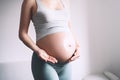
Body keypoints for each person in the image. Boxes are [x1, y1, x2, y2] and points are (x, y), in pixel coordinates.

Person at [18, 0, 80, 80]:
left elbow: (69, 27)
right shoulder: (30, 1)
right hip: (45, 62)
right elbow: (22, 34)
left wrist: (77, 46)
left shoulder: (66, 1)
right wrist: (38, 50)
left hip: (66, 64)